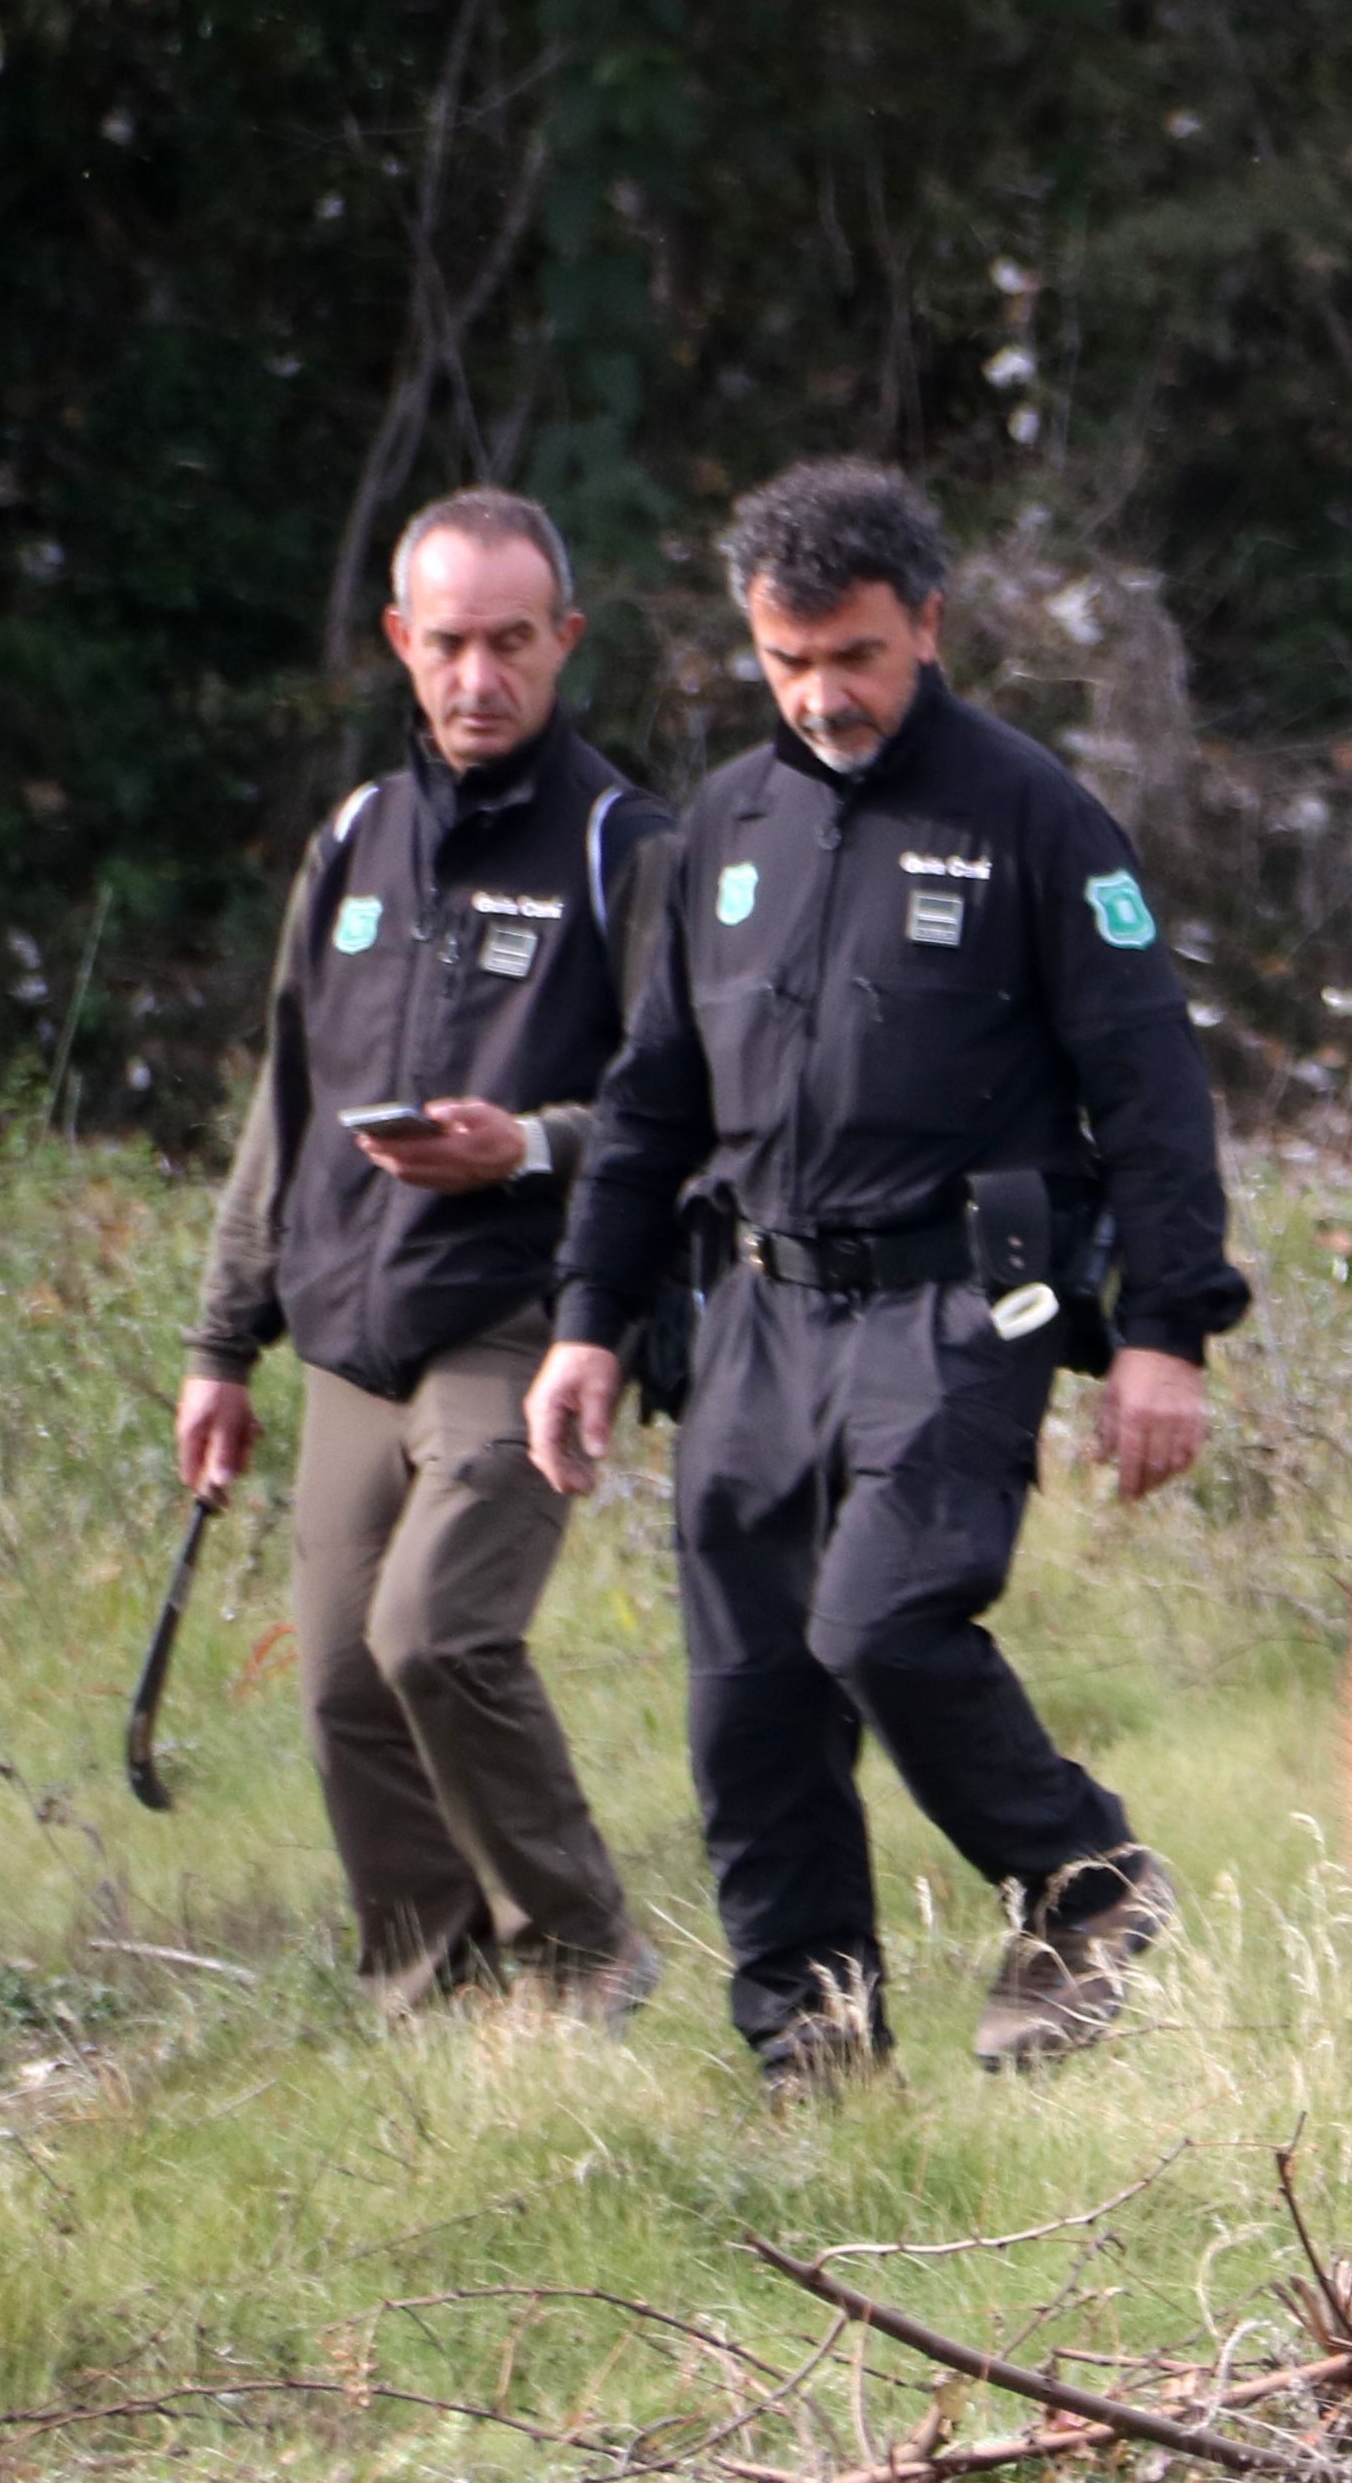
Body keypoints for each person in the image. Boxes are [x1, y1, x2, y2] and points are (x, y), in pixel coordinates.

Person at [521, 461, 1249, 2088]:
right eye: (787, 663)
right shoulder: (721, 825)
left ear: (925, 623)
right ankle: (813, 2053)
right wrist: (586, 1324)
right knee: (751, 1702)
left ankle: (1084, 1880)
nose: (822, 695)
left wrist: (1167, 1334)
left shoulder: (1033, 815)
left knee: (882, 1620)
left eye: (852, 655)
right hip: (756, 1312)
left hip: (957, 1303)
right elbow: (647, 1101)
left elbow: (1149, 1085)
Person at [179, 490, 672, 2020]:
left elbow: (686, 1107)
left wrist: (525, 1144)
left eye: (511, 642)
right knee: (340, 1690)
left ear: (563, 642)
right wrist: (220, 1347)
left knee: (436, 1635)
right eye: (449, 642)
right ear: (401, 644)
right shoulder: (349, 840)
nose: (479, 677)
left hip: (524, 1316)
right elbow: (286, 1099)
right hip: (347, 1324)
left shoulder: (621, 842)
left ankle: (585, 1963)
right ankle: (437, 2008)